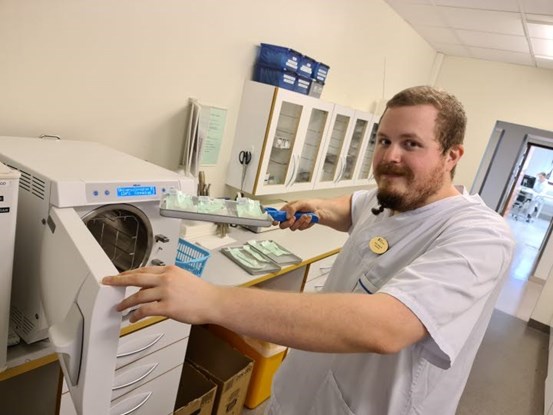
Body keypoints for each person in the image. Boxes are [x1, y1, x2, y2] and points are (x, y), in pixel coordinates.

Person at [103, 86, 514, 415]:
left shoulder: (480, 236)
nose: (390, 157)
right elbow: (352, 208)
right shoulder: (391, 196)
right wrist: (316, 208)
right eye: (384, 140)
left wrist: (211, 300)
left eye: (411, 144)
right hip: (298, 394)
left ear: (452, 155)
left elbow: (388, 327)